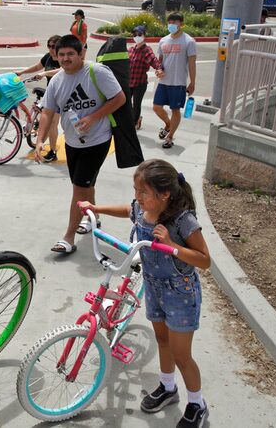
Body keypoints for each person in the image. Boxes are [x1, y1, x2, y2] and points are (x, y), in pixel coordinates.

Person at [79, 158, 211, 428]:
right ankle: (167, 386)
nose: (137, 198)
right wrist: (95, 208)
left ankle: (197, 403)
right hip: (153, 285)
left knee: (182, 354)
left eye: (143, 192)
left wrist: (172, 245)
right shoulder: (141, 209)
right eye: (135, 191)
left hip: (180, 293)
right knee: (162, 340)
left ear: (165, 194)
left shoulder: (182, 220)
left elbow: (204, 259)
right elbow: (125, 210)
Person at [34, 34, 125, 254]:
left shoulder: (97, 72)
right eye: (61, 54)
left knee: (79, 188)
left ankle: (68, 237)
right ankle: (94, 215)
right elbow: (47, 113)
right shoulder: (57, 80)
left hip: (97, 139)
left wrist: (94, 117)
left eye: (70, 54)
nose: (65, 59)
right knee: (86, 183)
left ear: (81, 53)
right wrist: (39, 140)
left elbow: (119, 98)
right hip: (73, 141)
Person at [16, 34, 62, 162]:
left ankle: (53, 152)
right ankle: (42, 141)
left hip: (61, 94)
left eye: (54, 46)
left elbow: (62, 70)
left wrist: (45, 73)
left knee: (53, 123)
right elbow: (37, 67)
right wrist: (22, 72)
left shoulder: (62, 57)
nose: (51, 49)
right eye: (49, 46)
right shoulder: (48, 57)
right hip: (51, 93)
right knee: (47, 121)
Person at [153, 13, 196, 150]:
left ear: (181, 24)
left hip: (178, 83)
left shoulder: (189, 41)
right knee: (156, 107)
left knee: (175, 110)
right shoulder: (163, 40)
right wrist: (158, 70)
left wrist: (192, 82)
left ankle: (170, 136)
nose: (172, 24)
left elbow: (192, 64)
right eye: (170, 21)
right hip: (163, 82)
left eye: (175, 21)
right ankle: (168, 124)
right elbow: (159, 60)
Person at [128, 25, 163, 130]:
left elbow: (153, 60)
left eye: (139, 35)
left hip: (140, 83)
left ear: (144, 36)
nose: (137, 37)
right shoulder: (130, 49)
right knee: (126, 104)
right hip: (129, 82)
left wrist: (159, 68)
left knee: (136, 105)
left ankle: (133, 125)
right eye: (135, 35)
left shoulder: (146, 50)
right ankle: (136, 119)